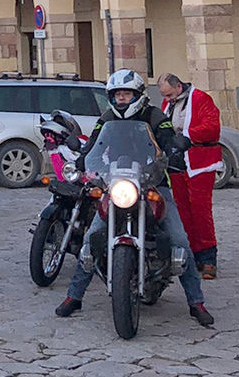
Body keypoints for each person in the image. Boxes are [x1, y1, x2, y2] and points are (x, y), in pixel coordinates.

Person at [55, 69, 214, 328]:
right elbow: (94, 143)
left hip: (152, 183)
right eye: (117, 94)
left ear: (137, 95)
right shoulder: (106, 118)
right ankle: (74, 296)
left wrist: (175, 150)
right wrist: (83, 159)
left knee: (179, 239)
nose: (121, 98)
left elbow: (167, 139)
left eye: (126, 94)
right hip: (116, 184)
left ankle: (196, 302)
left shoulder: (155, 115)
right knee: (91, 237)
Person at [159, 73, 222, 279]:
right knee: (182, 210)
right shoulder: (168, 103)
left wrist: (187, 136)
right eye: (164, 96)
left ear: (178, 87)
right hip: (177, 163)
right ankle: (191, 253)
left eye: (169, 95)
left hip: (200, 161)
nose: (167, 100)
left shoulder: (201, 99)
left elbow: (212, 127)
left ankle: (208, 257)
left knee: (200, 210)